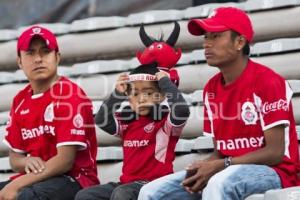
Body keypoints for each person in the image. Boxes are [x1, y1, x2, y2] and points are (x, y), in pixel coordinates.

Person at [137, 7, 300, 200]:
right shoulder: (211, 89)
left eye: (216, 36)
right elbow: (221, 151)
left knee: (218, 183)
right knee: (151, 193)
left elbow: (275, 153)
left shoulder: (268, 82)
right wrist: (204, 166)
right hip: (229, 167)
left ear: (239, 42)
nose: (207, 44)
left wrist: (222, 165)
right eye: (206, 37)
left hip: (274, 172)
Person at [0, 25, 99, 200]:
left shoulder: (70, 94)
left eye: (45, 52)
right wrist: (25, 161)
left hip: (74, 179)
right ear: (19, 62)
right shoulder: (20, 99)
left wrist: (15, 185)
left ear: (57, 57)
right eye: (30, 53)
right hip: (38, 178)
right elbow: (15, 158)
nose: (38, 59)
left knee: (24, 196)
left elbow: (65, 161)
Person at [75, 62, 190, 200]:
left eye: (148, 93)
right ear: (128, 98)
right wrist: (117, 94)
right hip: (127, 184)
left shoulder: (165, 123)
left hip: (154, 184)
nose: (141, 99)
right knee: (85, 196)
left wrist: (165, 82)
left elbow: (182, 110)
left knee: (123, 193)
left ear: (160, 95)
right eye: (135, 94)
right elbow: (101, 119)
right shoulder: (127, 123)